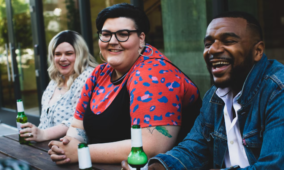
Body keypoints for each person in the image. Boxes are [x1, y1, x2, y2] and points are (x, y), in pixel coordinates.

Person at [48, 3, 201, 164]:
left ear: (141, 38)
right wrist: (67, 145)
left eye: (123, 34)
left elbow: (151, 149)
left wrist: (81, 152)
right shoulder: (99, 74)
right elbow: (78, 127)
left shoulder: (154, 72)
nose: (112, 41)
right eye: (106, 34)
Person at [139, 11, 284, 169]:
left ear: (258, 51)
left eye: (228, 41)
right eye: (208, 44)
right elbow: (192, 150)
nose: (212, 50)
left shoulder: (278, 91)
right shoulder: (215, 96)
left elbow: (273, 166)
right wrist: (155, 168)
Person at [19, 30, 98, 142]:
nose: (62, 58)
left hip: (71, 150)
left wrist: (44, 134)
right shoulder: (55, 80)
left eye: (69, 53)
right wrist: (36, 132)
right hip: (45, 147)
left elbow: (82, 118)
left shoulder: (88, 77)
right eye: (58, 54)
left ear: (80, 54)